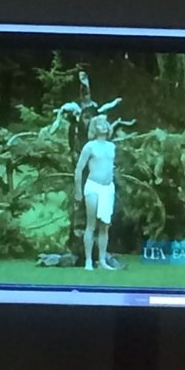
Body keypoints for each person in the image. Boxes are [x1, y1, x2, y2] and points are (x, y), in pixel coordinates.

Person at [74, 114, 116, 270]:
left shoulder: (112, 147)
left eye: (104, 123)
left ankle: (102, 260)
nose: (103, 125)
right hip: (93, 186)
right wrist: (78, 190)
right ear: (94, 128)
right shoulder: (89, 146)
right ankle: (88, 261)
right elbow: (79, 169)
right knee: (91, 225)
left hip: (108, 187)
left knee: (105, 225)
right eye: (98, 123)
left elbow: (111, 166)